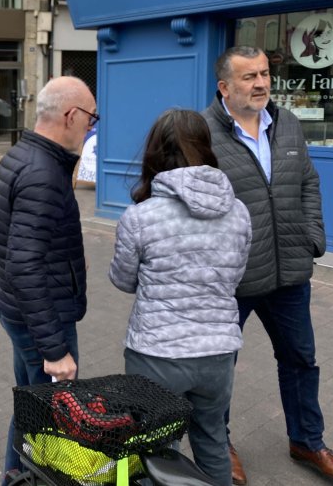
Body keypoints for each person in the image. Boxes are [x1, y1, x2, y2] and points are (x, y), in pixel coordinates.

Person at [203, 46, 333, 485]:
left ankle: (308, 441)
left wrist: (313, 236)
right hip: (234, 277)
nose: (261, 84)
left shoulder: (286, 122)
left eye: (265, 74)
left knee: (301, 360)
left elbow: (308, 180)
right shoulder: (203, 131)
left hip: (289, 271)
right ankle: (219, 446)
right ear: (224, 86)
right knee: (219, 367)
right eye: (249, 77)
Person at [108, 109, 252, 486]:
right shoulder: (239, 213)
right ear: (207, 148)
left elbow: (123, 280)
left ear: (155, 153)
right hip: (218, 354)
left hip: (157, 355)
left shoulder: (140, 217)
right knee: (213, 440)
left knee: (151, 449)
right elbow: (234, 277)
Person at [0, 76, 97, 485]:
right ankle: (19, 478)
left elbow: (4, 236)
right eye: (91, 117)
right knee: (46, 414)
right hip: (41, 319)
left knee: (29, 402)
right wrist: (55, 349)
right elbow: (24, 263)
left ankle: (14, 474)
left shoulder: (22, 155)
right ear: (72, 115)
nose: (92, 126)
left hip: (18, 310)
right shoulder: (43, 174)